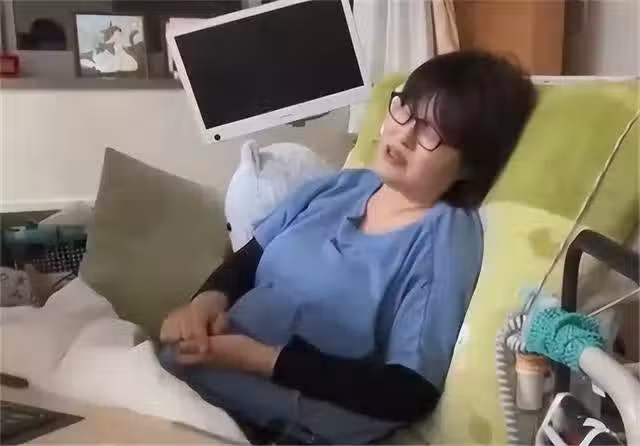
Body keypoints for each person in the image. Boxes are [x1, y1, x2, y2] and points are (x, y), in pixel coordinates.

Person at [158, 50, 537, 444]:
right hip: (203, 375)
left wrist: (255, 358)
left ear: (471, 165)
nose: (403, 134)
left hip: (282, 420)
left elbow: (409, 391)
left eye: (430, 131)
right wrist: (203, 305)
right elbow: (248, 259)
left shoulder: (445, 237)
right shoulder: (340, 186)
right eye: (405, 109)